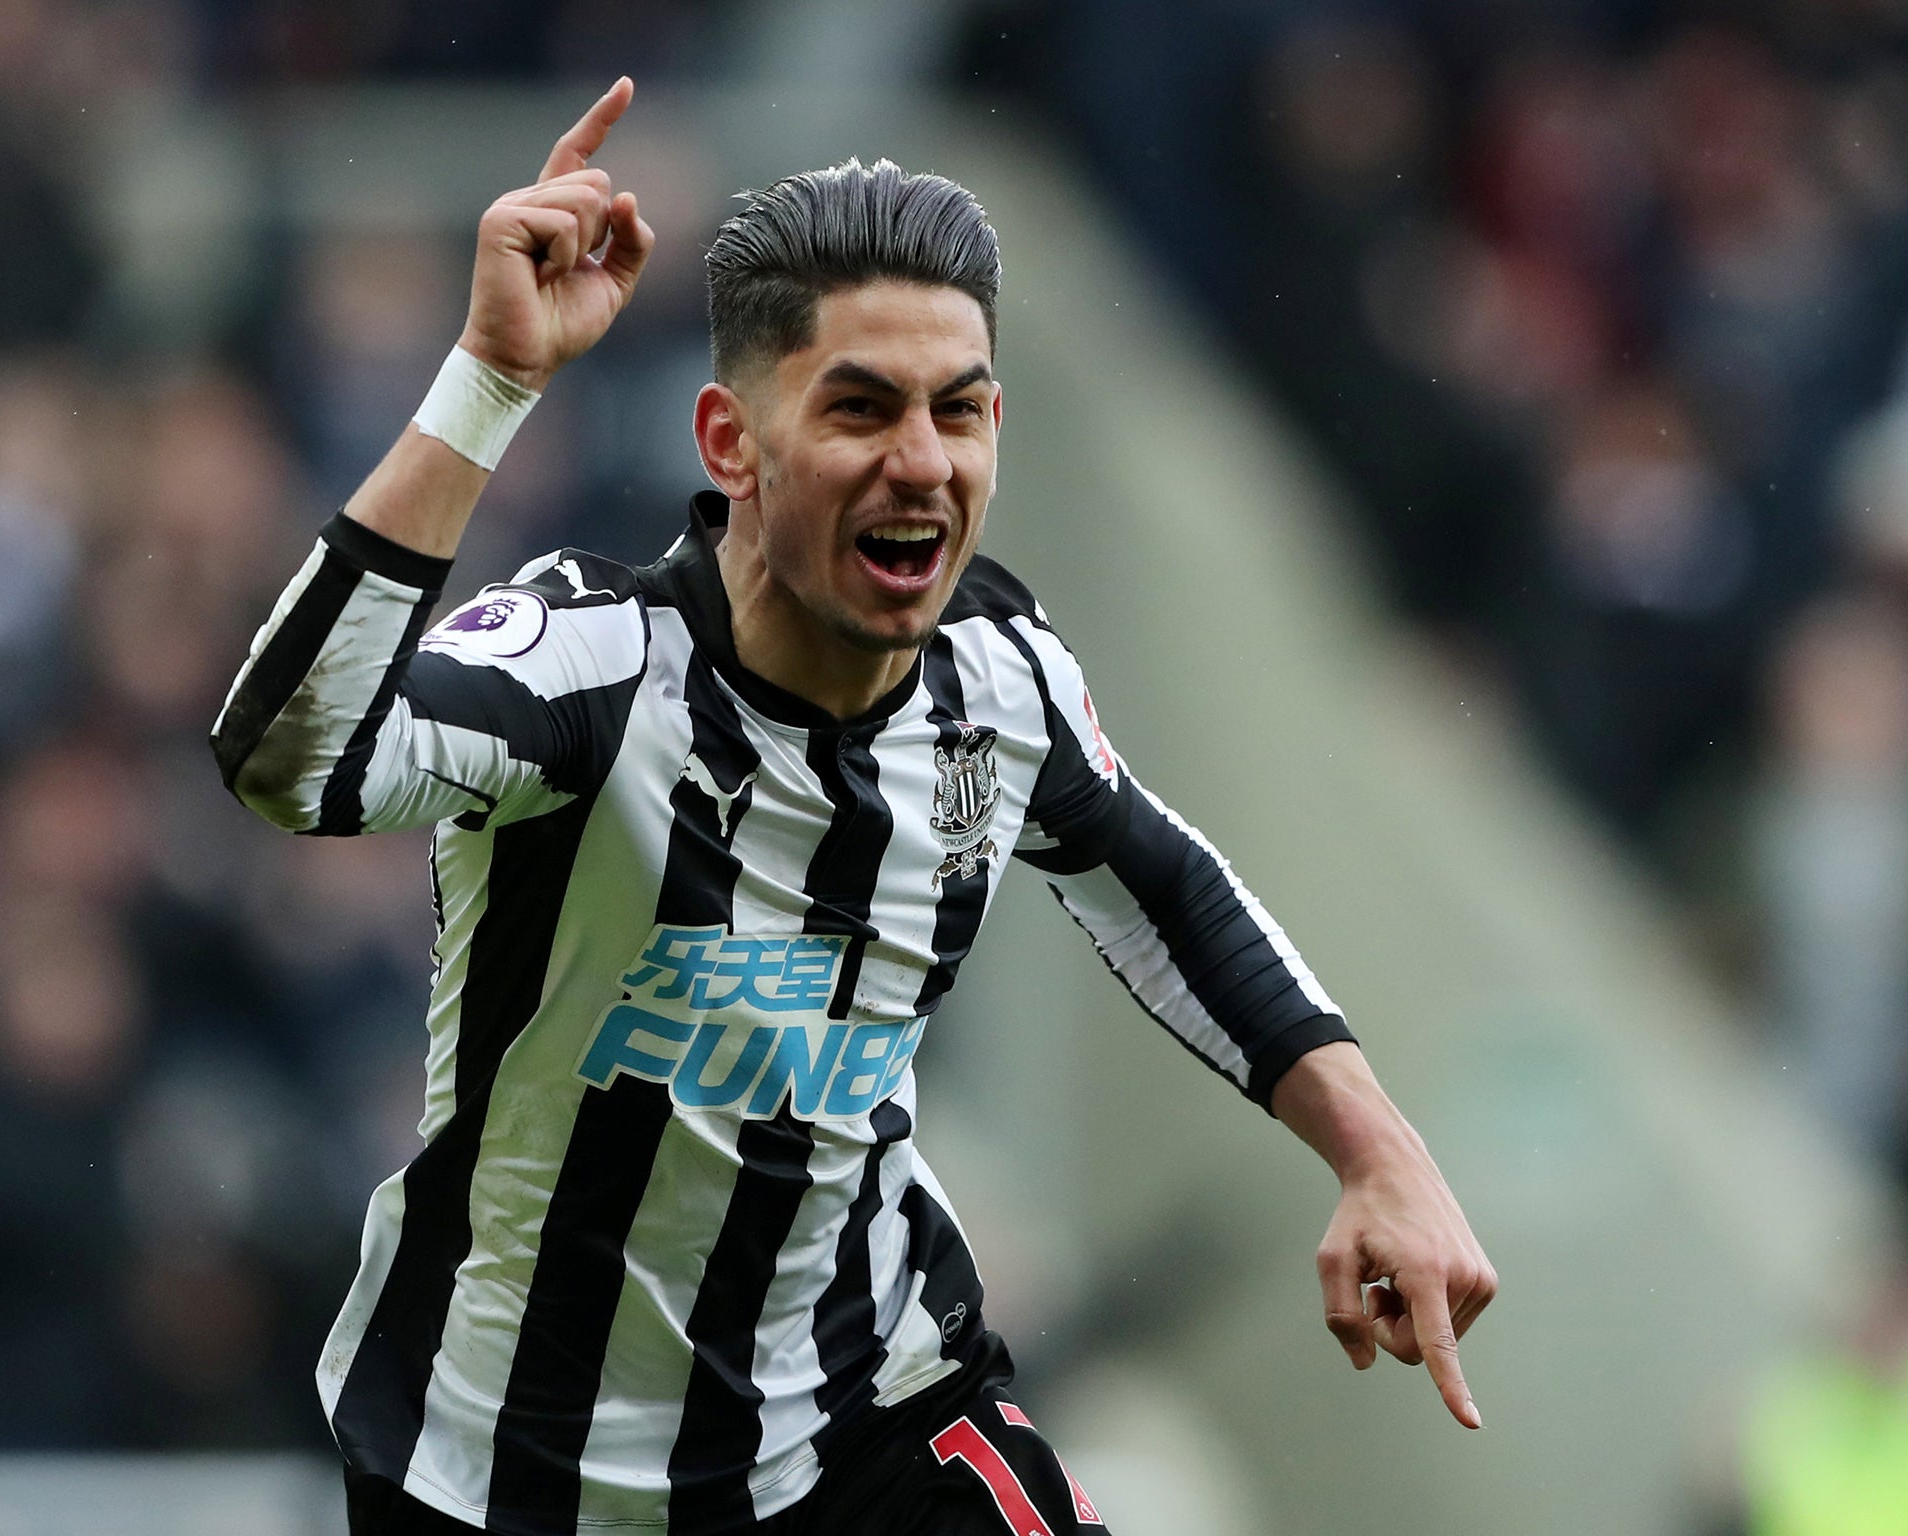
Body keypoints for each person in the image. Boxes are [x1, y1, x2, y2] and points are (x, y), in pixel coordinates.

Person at [213, 77, 1497, 1536]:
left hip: (860, 1423)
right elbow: (290, 762)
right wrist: (491, 383)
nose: (923, 463)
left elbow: (1165, 884)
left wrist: (1376, 1152)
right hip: (505, 1471)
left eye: (961, 411)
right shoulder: (590, 665)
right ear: (729, 444)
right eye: (862, 408)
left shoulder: (999, 683)